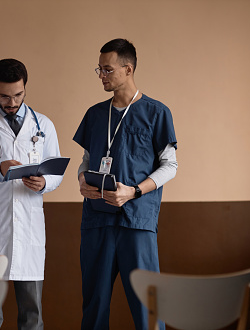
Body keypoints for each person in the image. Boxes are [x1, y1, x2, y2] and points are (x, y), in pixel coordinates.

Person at [73, 38, 178, 330]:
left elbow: (170, 165)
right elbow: (86, 159)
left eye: (107, 70)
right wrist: (82, 179)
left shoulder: (156, 113)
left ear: (127, 69)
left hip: (137, 222)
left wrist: (134, 191)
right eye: (99, 70)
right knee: (94, 306)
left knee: (148, 306)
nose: (101, 76)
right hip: (97, 220)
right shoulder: (95, 114)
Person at [0, 58, 63, 330]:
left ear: (25, 87)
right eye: (5, 96)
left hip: (29, 227)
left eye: (18, 94)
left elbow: (57, 171)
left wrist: (44, 183)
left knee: (32, 313)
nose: (12, 102)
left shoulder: (43, 125)